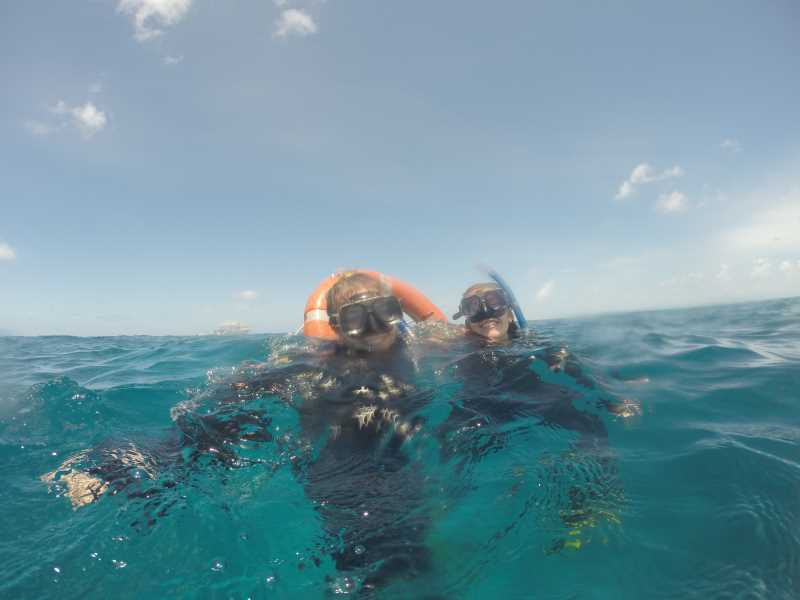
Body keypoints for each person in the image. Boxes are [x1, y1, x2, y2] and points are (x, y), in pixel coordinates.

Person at [440, 280, 628, 552]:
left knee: (584, 421)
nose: (487, 314)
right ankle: (455, 509)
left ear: (509, 310)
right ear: (466, 319)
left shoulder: (534, 341)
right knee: (453, 440)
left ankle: (593, 503)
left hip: (535, 397)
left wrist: (610, 394)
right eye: (473, 308)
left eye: (494, 303)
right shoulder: (456, 348)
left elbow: (581, 366)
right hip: (481, 405)